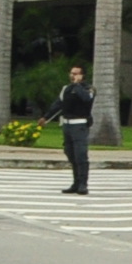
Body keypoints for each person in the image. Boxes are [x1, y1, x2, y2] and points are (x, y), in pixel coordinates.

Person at [51, 63, 94, 195]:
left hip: (80, 125)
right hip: (67, 125)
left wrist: (77, 85)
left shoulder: (89, 89)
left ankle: (83, 184)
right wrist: (45, 117)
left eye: (76, 73)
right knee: (70, 153)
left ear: (82, 75)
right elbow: (58, 104)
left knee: (81, 155)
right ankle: (75, 183)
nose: (73, 75)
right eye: (72, 73)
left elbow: (86, 99)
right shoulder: (66, 89)